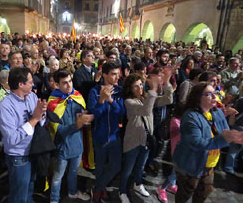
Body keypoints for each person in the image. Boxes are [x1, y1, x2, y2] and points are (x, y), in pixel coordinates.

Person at [173, 82, 243, 203]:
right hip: (192, 163)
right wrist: (225, 138)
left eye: (215, 93)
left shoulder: (216, 112)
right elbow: (197, 143)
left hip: (209, 164)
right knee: (185, 194)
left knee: (205, 191)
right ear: (198, 97)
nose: (215, 97)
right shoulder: (191, 117)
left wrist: (234, 136)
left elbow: (224, 130)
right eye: (209, 94)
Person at [0, 67, 47, 203]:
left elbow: (40, 122)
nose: (33, 84)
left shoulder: (32, 96)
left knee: (29, 190)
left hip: (33, 151)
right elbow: (11, 139)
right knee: (19, 196)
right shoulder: (5, 106)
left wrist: (42, 113)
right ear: (20, 84)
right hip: (18, 157)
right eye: (30, 82)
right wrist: (34, 119)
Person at [119, 72, 173, 203]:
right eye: (135, 86)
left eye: (140, 85)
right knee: (127, 169)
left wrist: (167, 83)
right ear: (129, 89)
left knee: (141, 166)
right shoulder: (128, 101)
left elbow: (168, 100)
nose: (140, 88)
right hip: (133, 140)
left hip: (146, 139)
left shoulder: (147, 97)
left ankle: (138, 184)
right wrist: (153, 90)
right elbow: (146, 110)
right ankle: (122, 190)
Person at [48, 70, 93, 203]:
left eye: (70, 81)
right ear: (57, 84)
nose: (69, 86)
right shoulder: (53, 104)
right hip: (62, 147)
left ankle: (73, 192)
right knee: (57, 177)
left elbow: (82, 118)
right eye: (64, 83)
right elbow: (58, 130)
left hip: (77, 145)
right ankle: (54, 200)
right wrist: (76, 125)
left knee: (74, 172)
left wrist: (86, 119)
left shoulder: (77, 97)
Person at [88, 61, 125, 203]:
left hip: (115, 136)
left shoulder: (118, 91)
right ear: (104, 75)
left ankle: (98, 188)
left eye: (118, 74)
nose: (117, 77)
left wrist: (110, 100)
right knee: (100, 167)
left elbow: (122, 111)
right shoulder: (94, 92)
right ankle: (100, 188)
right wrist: (102, 101)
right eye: (113, 74)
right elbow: (94, 114)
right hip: (100, 136)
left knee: (116, 166)